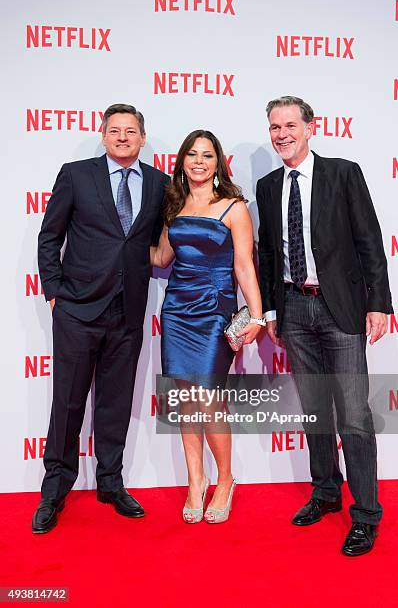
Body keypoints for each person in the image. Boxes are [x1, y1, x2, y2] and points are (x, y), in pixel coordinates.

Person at [257, 96, 393, 556]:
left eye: (290, 125)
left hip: (341, 309)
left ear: (311, 128)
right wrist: (273, 311)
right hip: (294, 309)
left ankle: (367, 515)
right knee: (315, 410)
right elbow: (269, 254)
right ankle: (326, 492)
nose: (282, 135)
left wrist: (378, 303)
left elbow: (370, 239)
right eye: (275, 127)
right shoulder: (267, 184)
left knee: (354, 414)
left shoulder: (343, 172)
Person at [33, 104, 169, 533]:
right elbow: (50, 236)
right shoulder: (76, 174)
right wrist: (55, 294)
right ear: (103, 135)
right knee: (68, 403)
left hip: (127, 311)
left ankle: (111, 482)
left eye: (131, 131)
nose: (123, 137)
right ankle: (55, 488)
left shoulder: (159, 183)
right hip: (76, 309)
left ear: (143, 138)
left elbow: (153, 242)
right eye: (115, 131)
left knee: (115, 403)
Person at [151, 130, 264, 523]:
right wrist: (111, 243)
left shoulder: (234, 207)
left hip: (215, 311)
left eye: (208, 155)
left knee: (210, 398)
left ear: (218, 163)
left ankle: (226, 479)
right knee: (185, 399)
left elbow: (244, 266)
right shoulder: (174, 205)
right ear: (182, 160)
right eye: (192, 155)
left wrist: (257, 315)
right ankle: (195, 481)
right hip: (177, 311)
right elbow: (163, 256)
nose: (199, 161)